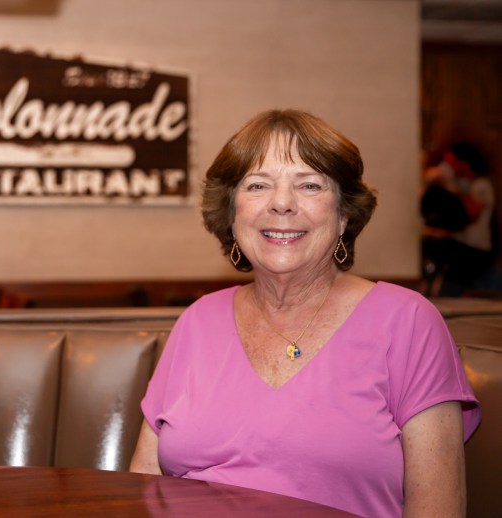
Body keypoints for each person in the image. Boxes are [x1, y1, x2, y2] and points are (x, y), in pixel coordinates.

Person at [129, 109, 481, 517]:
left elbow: (438, 511)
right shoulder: (198, 320)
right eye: (258, 185)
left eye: (309, 185)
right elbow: (143, 488)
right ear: (232, 213)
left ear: (344, 214)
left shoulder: (408, 323)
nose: (282, 204)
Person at [421, 143, 496, 296]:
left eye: (451, 162)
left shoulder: (481, 185)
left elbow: (470, 215)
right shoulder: (464, 184)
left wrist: (451, 186)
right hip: (461, 245)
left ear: (463, 162)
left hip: (475, 248)